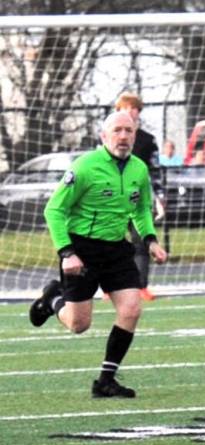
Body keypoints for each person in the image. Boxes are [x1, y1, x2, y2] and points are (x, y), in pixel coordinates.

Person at [29, 111, 168, 398]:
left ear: (135, 135)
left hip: (117, 249)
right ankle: (52, 298)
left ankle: (106, 381)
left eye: (128, 130)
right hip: (83, 250)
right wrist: (67, 252)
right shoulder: (85, 167)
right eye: (117, 130)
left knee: (131, 310)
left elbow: (141, 209)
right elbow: (54, 210)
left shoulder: (139, 169)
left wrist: (150, 240)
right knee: (79, 324)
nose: (123, 136)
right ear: (103, 136)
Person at [114, 92, 163, 302]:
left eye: (134, 108)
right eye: (126, 108)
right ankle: (110, 286)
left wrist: (159, 196)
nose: (130, 112)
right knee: (110, 242)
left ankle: (141, 286)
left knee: (141, 241)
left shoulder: (147, 140)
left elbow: (155, 170)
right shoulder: (107, 137)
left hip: (138, 199)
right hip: (112, 199)